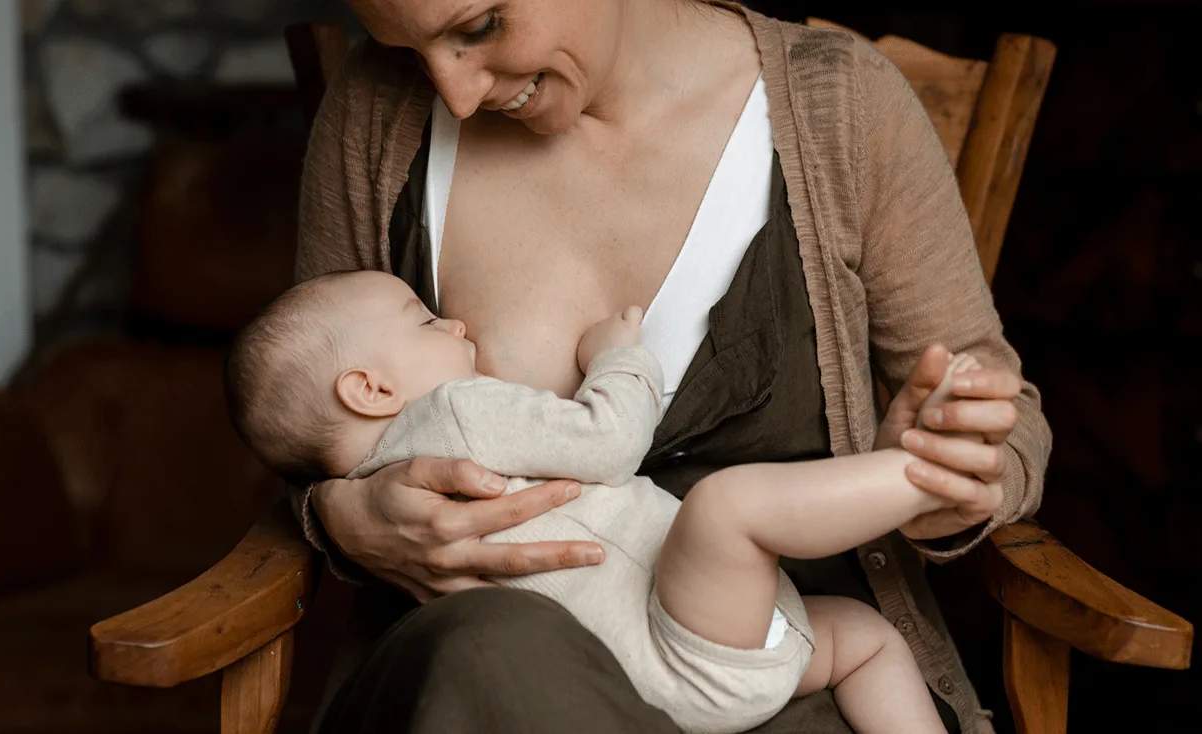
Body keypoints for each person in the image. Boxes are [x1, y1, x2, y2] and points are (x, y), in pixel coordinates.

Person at [291, 1, 1053, 732]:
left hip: (775, 664)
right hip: (491, 690)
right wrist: (341, 514)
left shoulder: (843, 107)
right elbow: (298, 409)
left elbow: (1008, 426)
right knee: (493, 650)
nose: (454, 94)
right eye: (405, 48)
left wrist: (943, 471)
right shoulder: (376, 111)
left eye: (481, 25)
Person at [227, 270, 995, 732]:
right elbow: (608, 443)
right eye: (426, 320)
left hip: (642, 691)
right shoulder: (454, 413)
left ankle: (915, 472)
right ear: (369, 390)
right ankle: (919, 471)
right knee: (726, 511)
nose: (453, 320)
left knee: (861, 638)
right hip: (679, 641)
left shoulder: (384, 490)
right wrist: (620, 359)